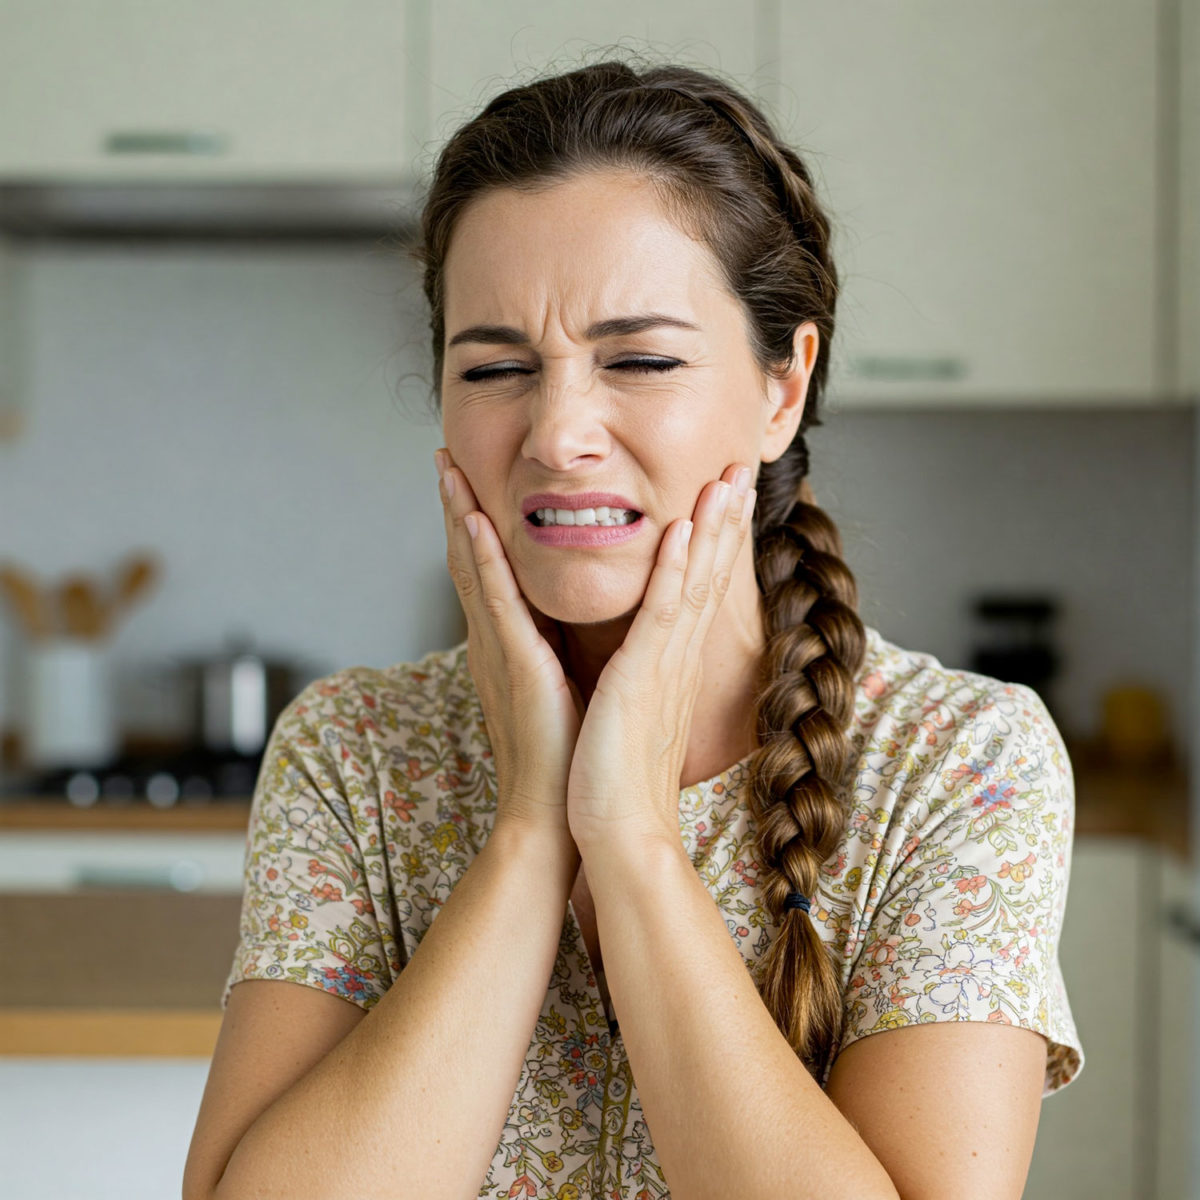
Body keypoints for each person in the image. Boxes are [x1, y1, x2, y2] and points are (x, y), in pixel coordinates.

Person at [183, 55, 1084, 1200]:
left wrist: (630, 837)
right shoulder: (355, 750)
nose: (559, 434)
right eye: (498, 365)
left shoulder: (962, 761)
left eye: (641, 359)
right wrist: (525, 835)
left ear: (782, 387)